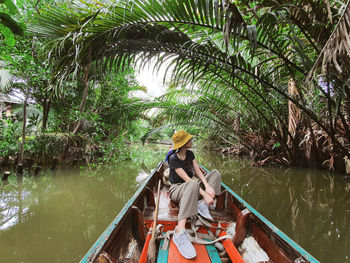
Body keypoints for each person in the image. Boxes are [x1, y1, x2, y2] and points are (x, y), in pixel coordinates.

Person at [168, 130, 221, 259]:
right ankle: (179, 231)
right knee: (193, 184)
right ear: (184, 143)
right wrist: (205, 194)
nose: (191, 141)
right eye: (189, 140)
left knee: (215, 173)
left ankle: (202, 205)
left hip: (193, 187)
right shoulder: (173, 159)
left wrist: (207, 187)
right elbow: (187, 179)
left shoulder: (190, 154)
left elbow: (197, 171)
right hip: (177, 189)